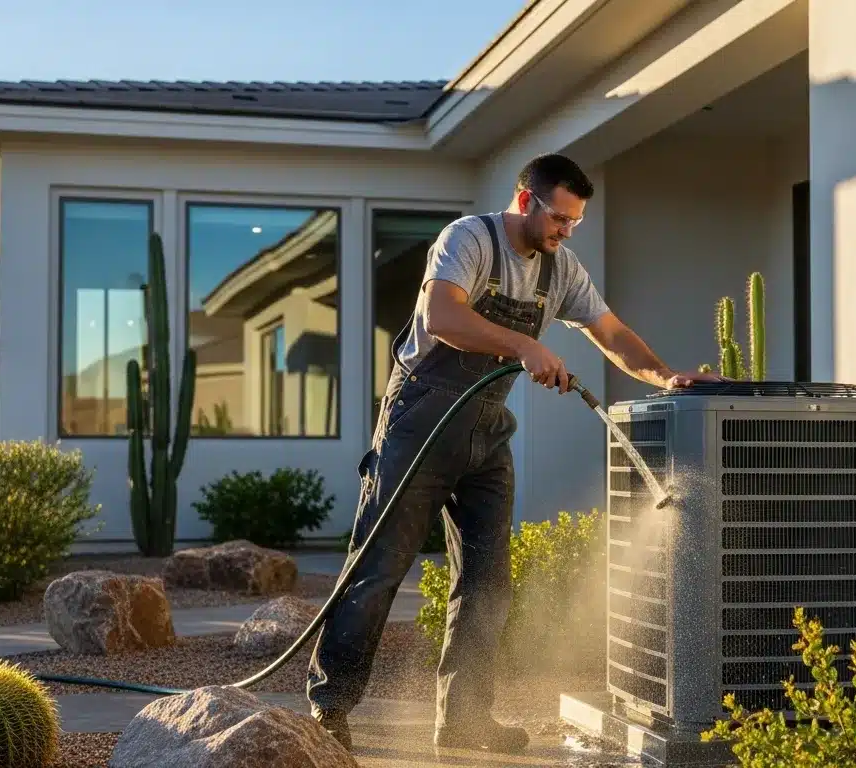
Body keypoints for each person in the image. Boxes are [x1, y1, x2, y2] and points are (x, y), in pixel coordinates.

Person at [305, 153, 721, 754]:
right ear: (526, 201)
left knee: (487, 582)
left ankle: (466, 719)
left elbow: (612, 333)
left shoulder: (562, 270)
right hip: (420, 418)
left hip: (487, 431)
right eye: (559, 218)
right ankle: (330, 708)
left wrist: (667, 377)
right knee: (379, 569)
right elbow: (442, 315)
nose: (565, 231)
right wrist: (524, 344)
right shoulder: (468, 240)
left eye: (574, 222)